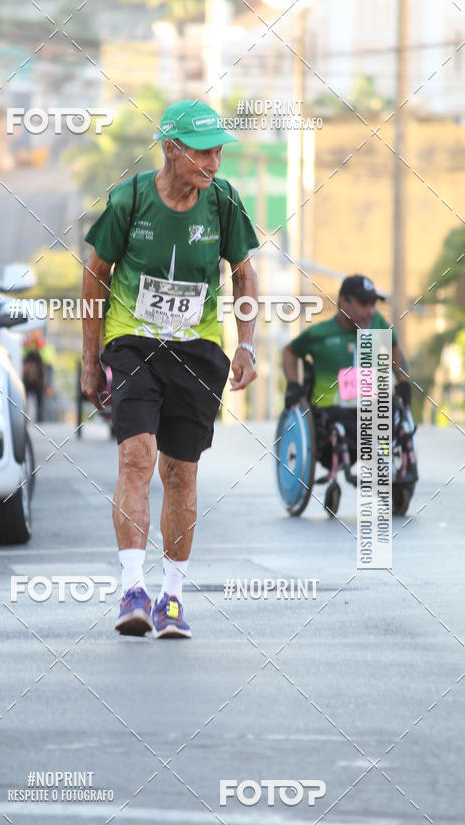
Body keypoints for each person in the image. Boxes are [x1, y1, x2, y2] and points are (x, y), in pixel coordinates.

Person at [81, 99, 259, 639]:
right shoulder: (129, 200)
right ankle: (132, 589)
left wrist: (246, 343)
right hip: (131, 341)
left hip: (199, 349)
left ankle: (172, 598)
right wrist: (90, 360)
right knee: (137, 457)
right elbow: (95, 278)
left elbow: (245, 277)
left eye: (219, 150)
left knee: (181, 473)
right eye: (203, 151)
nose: (214, 162)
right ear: (170, 149)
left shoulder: (223, 202)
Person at [281, 274, 412, 454]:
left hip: (371, 408)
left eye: (373, 305)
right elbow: (289, 351)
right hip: (333, 412)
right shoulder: (319, 334)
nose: (371, 311)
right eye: (364, 304)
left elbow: (394, 347)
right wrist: (293, 384)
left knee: (394, 412)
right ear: (344, 302)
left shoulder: (376, 323)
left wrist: (403, 380)